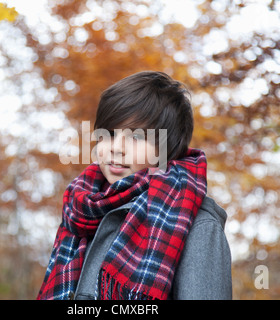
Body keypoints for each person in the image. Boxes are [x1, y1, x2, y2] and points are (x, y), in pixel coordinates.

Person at [37, 71, 232, 300]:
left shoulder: (197, 225)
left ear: (167, 151)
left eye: (136, 137)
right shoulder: (81, 211)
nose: (116, 148)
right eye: (109, 134)